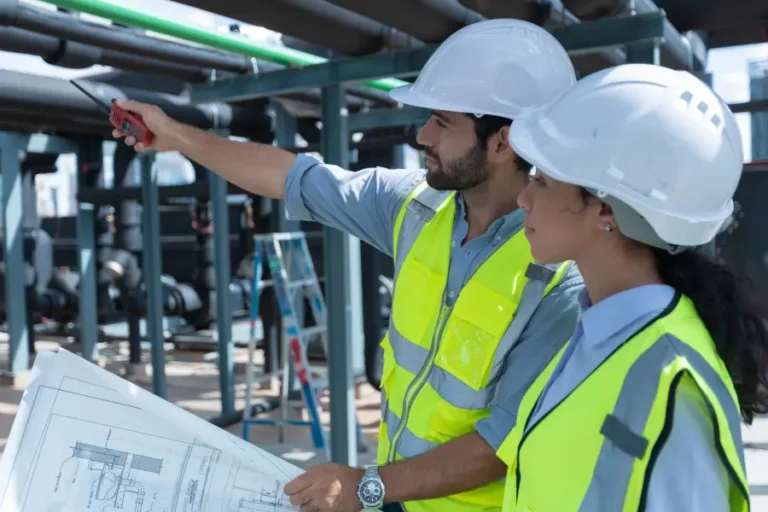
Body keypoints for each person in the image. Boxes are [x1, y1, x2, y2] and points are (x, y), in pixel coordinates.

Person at [112, 19, 584, 512]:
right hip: (399, 494)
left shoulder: (561, 277)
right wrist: (177, 137)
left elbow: (498, 447)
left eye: (442, 122)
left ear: (502, 142)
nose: (423, 135)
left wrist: (366, 486)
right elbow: (292, 176)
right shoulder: (415, 207)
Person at [490, 63, 768, 511]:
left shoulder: (676, 386)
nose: (523, 198)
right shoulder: (599, 335)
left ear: (606, 210)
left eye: (542, 180)